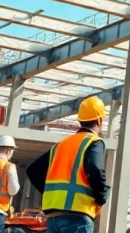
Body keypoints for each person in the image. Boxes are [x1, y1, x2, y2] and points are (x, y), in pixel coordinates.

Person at [27, 96, 110, 233]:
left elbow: (32, 170)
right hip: (77, 215)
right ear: (100, 120)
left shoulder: (61, 145)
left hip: (53, 217)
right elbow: (95, 169)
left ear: (80, 120)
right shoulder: (94, 142)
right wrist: (101, 198)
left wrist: (52, 193)